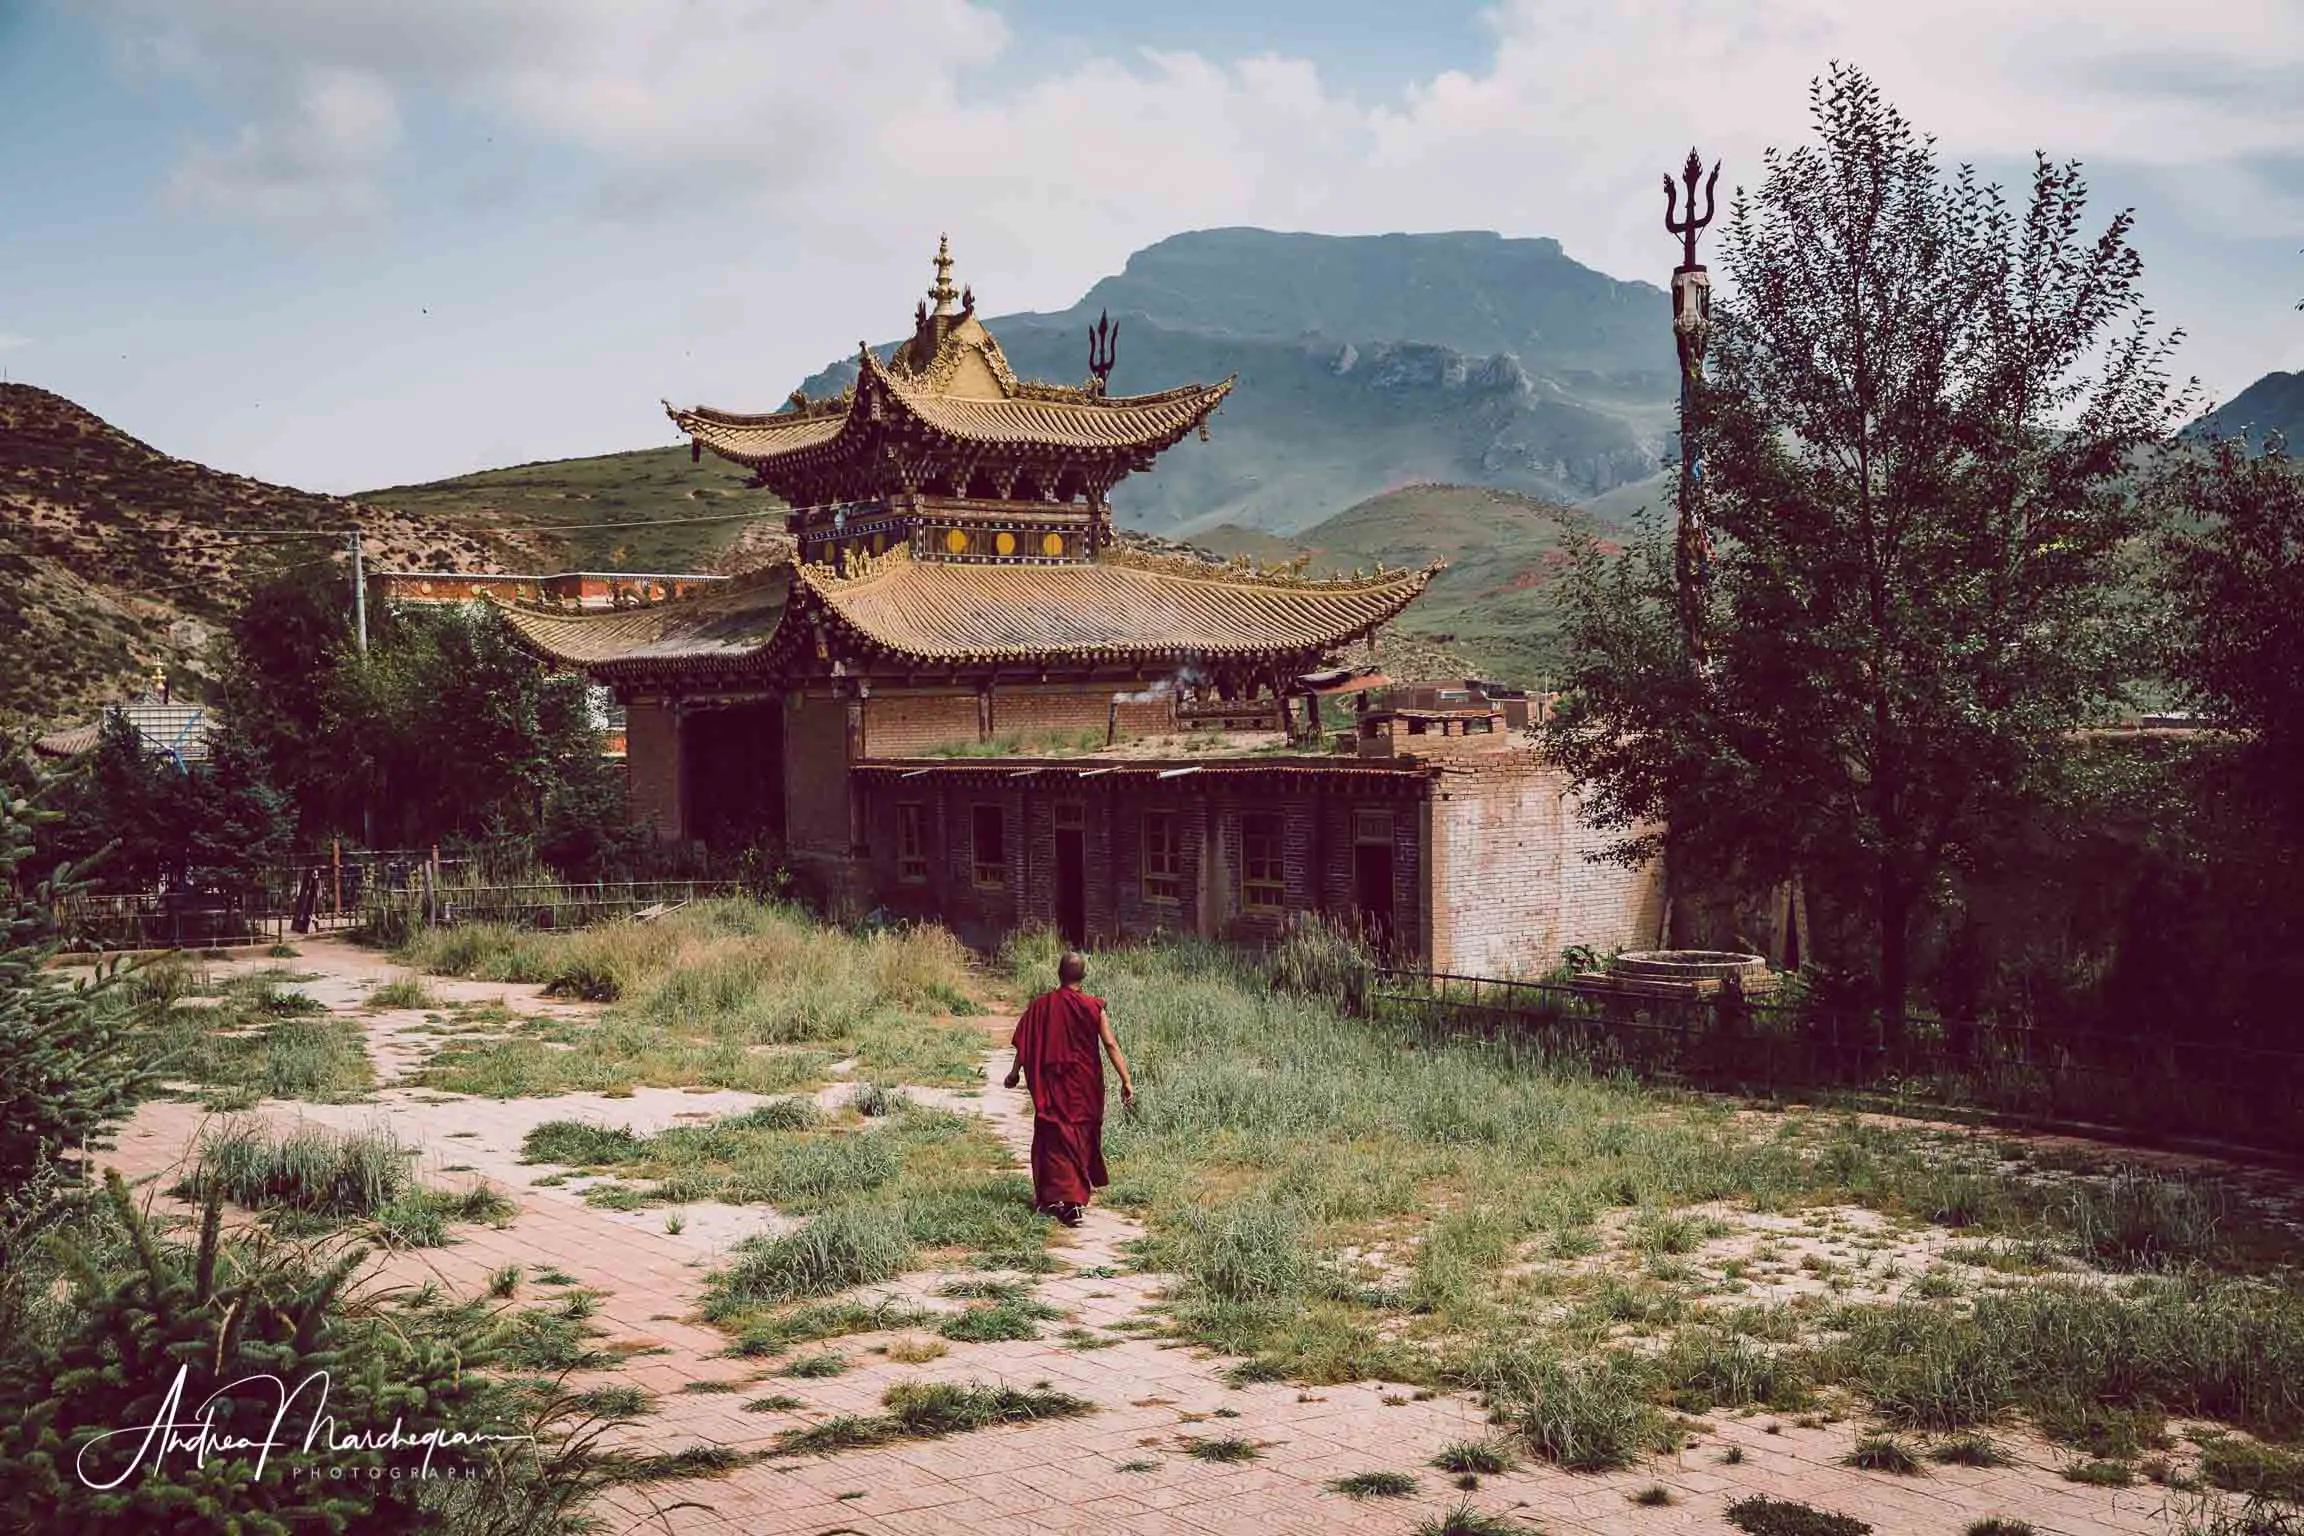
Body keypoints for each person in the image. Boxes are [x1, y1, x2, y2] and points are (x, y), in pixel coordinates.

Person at [1004, 951, 1134, 1227]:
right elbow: (1110, 1044)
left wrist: (1014, 1073)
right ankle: (1072, 1202)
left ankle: (1057, 1198)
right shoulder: (1092, 1006)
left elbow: (1026, 1043)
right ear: (1083, 976)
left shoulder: (1041, 1006)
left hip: (1053, 1086)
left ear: (1059, 974)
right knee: (1077, 1136)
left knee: (1052, 1137)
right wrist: (1126, 1079)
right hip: (1083, 1085)